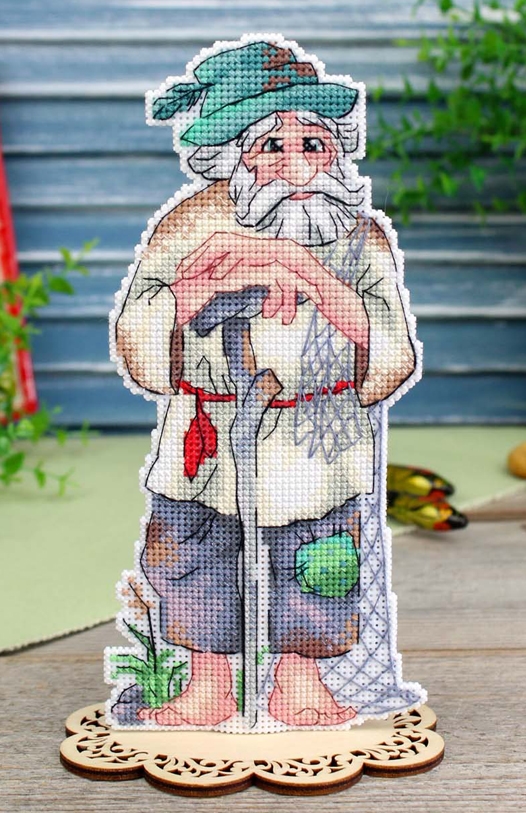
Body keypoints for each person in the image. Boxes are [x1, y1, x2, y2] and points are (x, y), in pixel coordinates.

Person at [109, 36, 424, 730]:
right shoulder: (192, 224)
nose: (296, 165)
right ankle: (208, 684)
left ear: (337, 151)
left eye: (313, 145)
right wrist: (199, 287)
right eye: (272, 147)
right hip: (210, 435)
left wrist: (304, 271)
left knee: (318, 561)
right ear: (235, 156)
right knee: (196, 556)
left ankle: (300, 681)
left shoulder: (357, 236)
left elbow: (389, 345)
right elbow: (142, 324)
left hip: (315, 440)